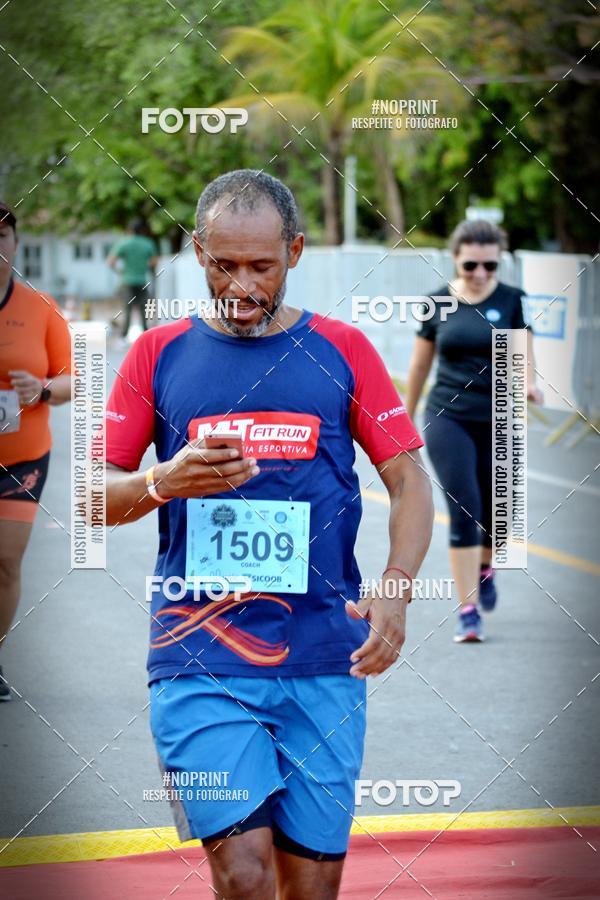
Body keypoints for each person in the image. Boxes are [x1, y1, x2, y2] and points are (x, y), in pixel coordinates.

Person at [104, 170, 433, 899]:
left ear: (297, 251)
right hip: (198, 660)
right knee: (244, 876)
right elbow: (93, 497)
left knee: (308, 890)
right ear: (196, 250)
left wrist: (398, 590)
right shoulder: (155, 355)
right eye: (224, 264)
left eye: (263, 266)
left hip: (323, 659)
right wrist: (163, 481)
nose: (242, 286)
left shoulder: (343, 351)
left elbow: (409, 480)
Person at [405, 219, 543, 643]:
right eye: (471, 266)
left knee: (497, 520)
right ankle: (467, 611)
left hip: (499, 417)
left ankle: (486, 568)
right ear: (455, 258)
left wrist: (531, 383)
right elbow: (420, 365)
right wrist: (403, 420)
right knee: (465, 507)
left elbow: (524, 351)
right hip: (448, 416)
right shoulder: (436, 303)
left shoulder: (513, 300)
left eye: (489, 265)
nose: (480, 274)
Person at [0, 202, 72, 700]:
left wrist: (42, 389)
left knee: (5, 561)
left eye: (1, 237)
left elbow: (76, 378)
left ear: (15, 245)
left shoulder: (40, 307)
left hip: (23, 455)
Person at [107, 218, 158, 340]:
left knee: (127, 309)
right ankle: (146, 336)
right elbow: (154, 262)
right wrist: (143, 267)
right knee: (143, 309)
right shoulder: (148, 243)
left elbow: (111, 261)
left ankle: (123, 337)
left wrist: (120, 271)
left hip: (127, 281)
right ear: (142, 231)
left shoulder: (124, 243)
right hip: (142, 280)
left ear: (130, 230)